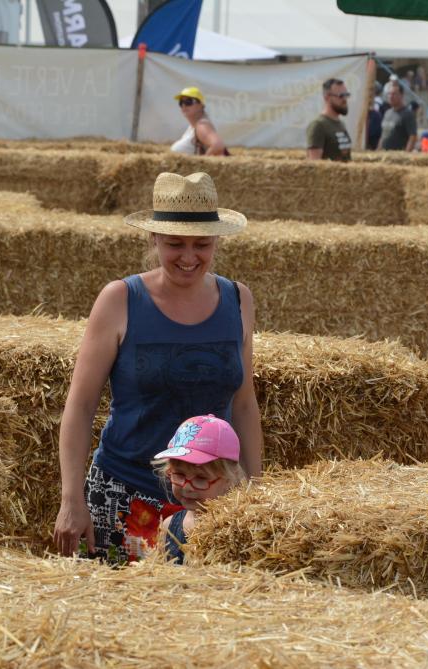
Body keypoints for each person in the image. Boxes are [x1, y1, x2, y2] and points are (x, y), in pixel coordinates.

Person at [53, 171, 264, 562]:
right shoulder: (120, 299)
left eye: (201, 244)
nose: (188, 257)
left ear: (217, 240)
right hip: (122, 496)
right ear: (154, 239)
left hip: (208, 507)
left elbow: (244, 403)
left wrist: (255, 492)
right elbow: (80, 406)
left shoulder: (239, 300)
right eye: (175, 244)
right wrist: (71, 499)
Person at [155, 414, 246, 564]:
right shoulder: (169, 527)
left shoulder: (238, 529)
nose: (187, 486)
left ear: (229, 479)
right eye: (180, 474)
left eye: (201, 478)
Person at [170, 86, 229, 156]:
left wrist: (201, 162)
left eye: (188, 102)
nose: (183, 105)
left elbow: (218, 145)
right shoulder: (194, 126)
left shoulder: (202, 125)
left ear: (200, 105)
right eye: (181, 102)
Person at [306, 78, 352, 161]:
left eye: (346, 95)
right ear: (327, 97)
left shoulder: (341, 124)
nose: (345, 99)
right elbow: (314, 164)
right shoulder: (318, 125)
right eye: (341, 96)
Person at [378, 81, 417, 152]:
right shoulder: (387, 113)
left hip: (397, 155)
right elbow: (383, 135)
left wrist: (406, 155)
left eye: (394, 94)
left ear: (401, 95)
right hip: (384, 155)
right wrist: (378, 151)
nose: (391, 96)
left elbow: (412, 136)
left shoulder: (407, 114)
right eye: (389, 94)